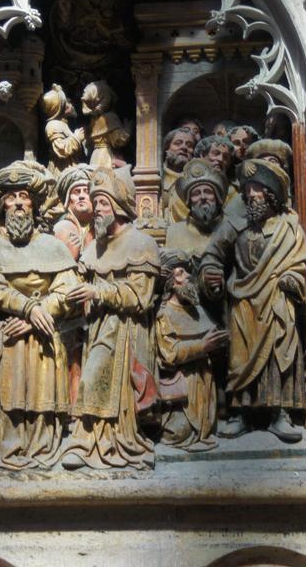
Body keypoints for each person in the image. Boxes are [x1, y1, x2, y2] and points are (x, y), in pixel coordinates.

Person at [0, 163, 77, 470]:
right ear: (2, 206)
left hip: (41, 338)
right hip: (3, 336)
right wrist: (27, 307)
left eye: (24, 196)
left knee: (39, 401)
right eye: (11, 198)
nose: (20, 203)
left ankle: (37, 451)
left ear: (34, 203)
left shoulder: (52, 246)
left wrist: (38, 312)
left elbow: (69, 291)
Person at [199, 157, 306, 443]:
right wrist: (211, 273)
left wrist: (293, 279)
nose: (250, 194)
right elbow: (212, 254)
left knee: (279, 353)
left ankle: (280, 414)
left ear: (271, 193)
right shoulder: (235, 223)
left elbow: (300, 263)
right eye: (248, 189)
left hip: (277, 300)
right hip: (244, 302)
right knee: (242, 356)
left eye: (257, 188)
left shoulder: (289, 227)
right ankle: (240, 415)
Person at [62, 167, 160, 471]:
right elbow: (81, 283)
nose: (96, 208)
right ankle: (85, 442)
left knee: (102, 382)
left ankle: (112, 441)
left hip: (127, 330)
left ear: (118, 206)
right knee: (90, 378)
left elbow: (140, 296)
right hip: (97, 327)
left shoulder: (141, 244)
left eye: (102, 202)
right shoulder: (93, 248)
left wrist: (98, 292)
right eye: (95, 202)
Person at [156, 249, 228, 451]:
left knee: (206, 422)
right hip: (182, 384)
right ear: (170, 281)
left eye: (187, 272)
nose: (187, 276)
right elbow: (169, 353)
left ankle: (204, 432)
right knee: (179, 432)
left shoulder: (196, 309)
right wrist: (202, 346)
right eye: (180, 273)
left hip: (205, 379)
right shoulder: (164, 314)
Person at [52, 165, 94, 402]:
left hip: (93, 306)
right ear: (68, 201)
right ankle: (73, 409)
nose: (80, 195)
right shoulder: (64, 228)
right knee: (73, 360)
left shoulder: (98, 228)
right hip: (71, 306)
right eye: (75, 192)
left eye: (85, 191)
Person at [165, 159, 226, 258]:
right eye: (196, 193)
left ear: (217, 197)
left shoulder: (231, 229)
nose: (202, 197)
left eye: (208, 192)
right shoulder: (173, 233)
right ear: (189, 201)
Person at [80, 80, 130, 170]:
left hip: (95, 156)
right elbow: (119, 140)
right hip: (106, 156)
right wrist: (128, 129)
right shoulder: (109, 118)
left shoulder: (93, 120)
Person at [41, 83, 85, 177]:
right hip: (62, 169)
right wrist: (76, 138)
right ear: (59, 107)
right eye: (66, 102)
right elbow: (61, 149)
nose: (70, 103)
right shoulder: (53, 125)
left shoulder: (63, 123)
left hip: (71, 166)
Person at [159, 127, 198, 216]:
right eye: (178, 143)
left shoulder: (196, 181)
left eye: (189, 145)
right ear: (167, 148)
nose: (184, 147)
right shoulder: (156, 176)